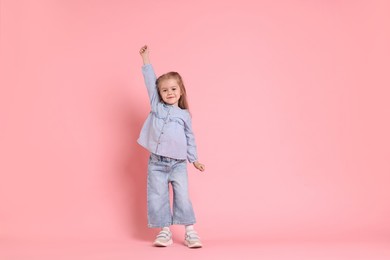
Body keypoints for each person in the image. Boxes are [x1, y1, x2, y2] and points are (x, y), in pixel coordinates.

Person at [137, 45, 205, 248]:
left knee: (182, 196)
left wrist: (194, 159)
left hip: (178, 164)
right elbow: (150, 83)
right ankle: (164, 231)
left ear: (181, 90)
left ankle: (190, 231)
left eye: (173, 89)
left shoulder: (184, 115)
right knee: (158, 196)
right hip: (156, 163)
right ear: (159, 94)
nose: (169, 93)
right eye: (164, 90)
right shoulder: (156, 107)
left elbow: (190, 137)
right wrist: (146, 59)